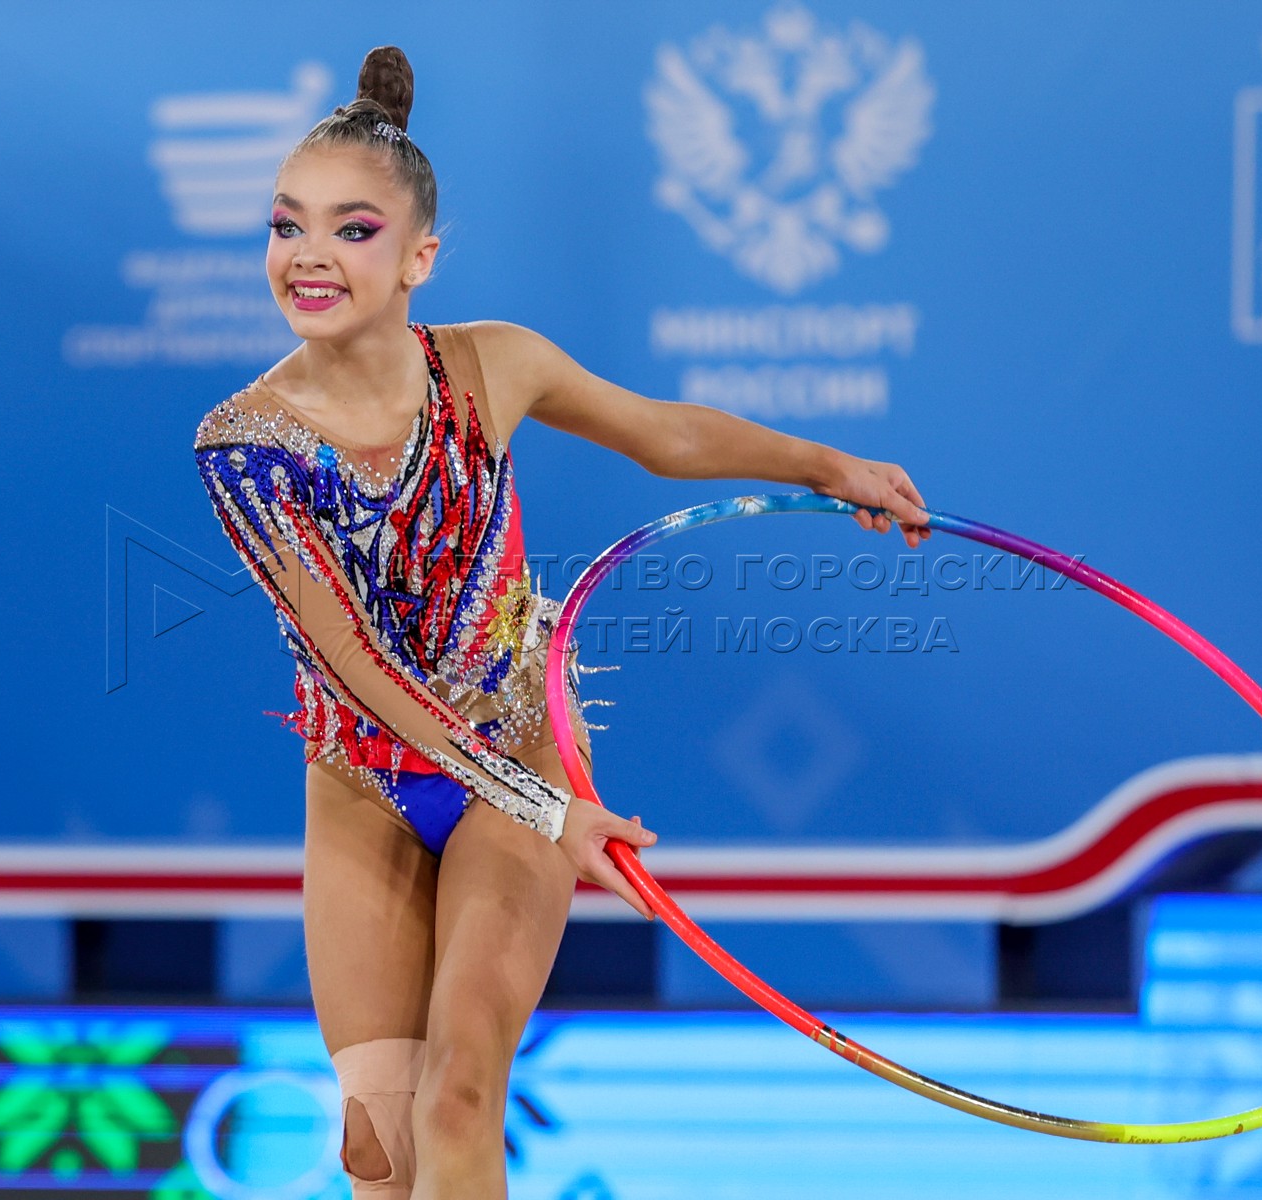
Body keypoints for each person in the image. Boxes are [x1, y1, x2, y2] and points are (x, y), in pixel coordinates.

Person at [193, 45, 930, 1200]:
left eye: (353, 229)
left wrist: (828, 465)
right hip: (363, 781)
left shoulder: (493, 367)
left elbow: (662, 434)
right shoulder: (243, 444)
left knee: (461, 1092)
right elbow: (353, 657)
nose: (310, 255)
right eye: (287, 226)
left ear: (420, 257)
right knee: (378, 1144)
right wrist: (556, 815)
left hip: (518, 748)